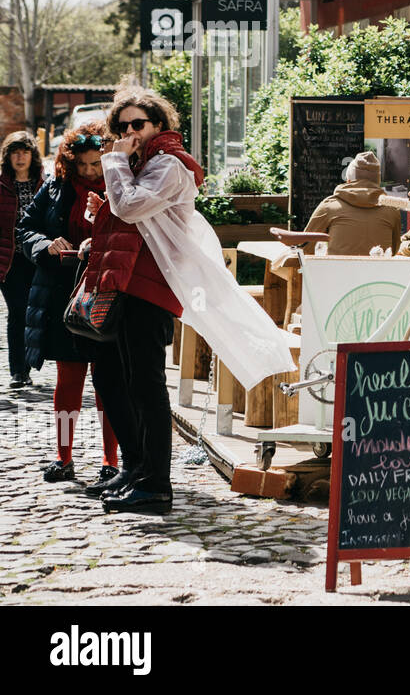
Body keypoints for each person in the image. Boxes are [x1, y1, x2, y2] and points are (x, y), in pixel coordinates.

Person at [81, 87, 294, 513]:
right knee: (123, 381)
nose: (128, 133)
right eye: (121, 127)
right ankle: (138, 470)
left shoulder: (169, 164)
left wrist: (114, 164)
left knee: (146, 384)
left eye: (137, 124)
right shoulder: (144, 163)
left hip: (152, 286)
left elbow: (131, 207)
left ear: (159, 125)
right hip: (129, 282)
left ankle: (156, 483)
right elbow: (129, 216)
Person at [18, 123, 119, 487]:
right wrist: (45, 245)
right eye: (84, 165)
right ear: (70, 161)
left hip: (108, 294)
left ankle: (112, 460)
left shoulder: (120, 186)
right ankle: (64, 458)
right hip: (63, 295)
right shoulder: (56, 186)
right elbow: (26, 228)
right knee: (68, 380)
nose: (91, 171)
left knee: (108, 381)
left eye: (97, 164)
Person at [0, 130, 42, 389]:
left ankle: (31, 363)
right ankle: (19, 371)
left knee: (34, 312)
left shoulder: (44, 184)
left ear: (32, 155)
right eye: (15, 152)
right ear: (8, 157)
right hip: (9, 259)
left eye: (25, 151)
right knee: (17, 311)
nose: (20, 157)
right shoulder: (2, 186)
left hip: (37, 258)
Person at [304, 150, 403, 256]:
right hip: (379, 271)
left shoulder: (329, 206)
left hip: (337, 271)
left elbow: (305, 245)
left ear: (349, 180)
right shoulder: (392, 210)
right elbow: (394, 248)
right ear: (377, 182)